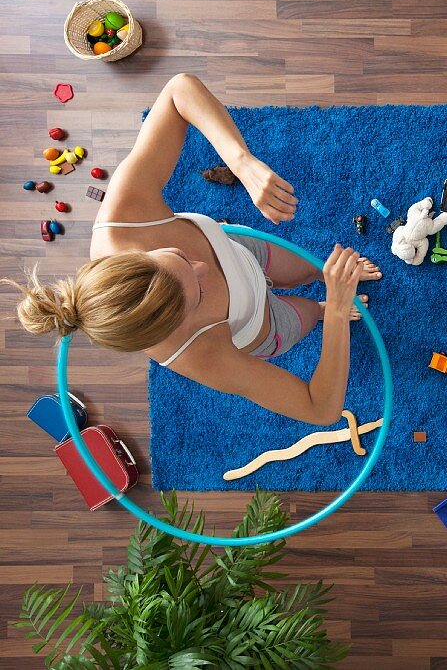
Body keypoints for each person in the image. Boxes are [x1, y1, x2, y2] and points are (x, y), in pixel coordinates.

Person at [5, 73, 380, 425]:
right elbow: (320, 409)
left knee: (308, 267)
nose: (204, 269)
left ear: (136, 255)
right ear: (175, 326)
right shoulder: (194, 352)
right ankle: (322, 305)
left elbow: (178, 90)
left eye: (182, 258)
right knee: (308, 313)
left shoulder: (124, 219)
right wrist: (333, 313)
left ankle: (325, 275)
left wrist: (242, 163)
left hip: (239, 248)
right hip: (260, 324)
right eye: (198, 293)